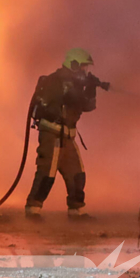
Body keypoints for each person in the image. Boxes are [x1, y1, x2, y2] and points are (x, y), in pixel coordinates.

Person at [24, 48, 107, 219]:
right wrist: (76, 89)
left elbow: (88, 106)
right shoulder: (55, 81)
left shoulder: (75, 84)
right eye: (83, 67)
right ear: (74, 64)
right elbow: (48, 103)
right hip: (52, 134)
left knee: (77, 174)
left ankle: (76, 211)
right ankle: (33, 210)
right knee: (47, 174)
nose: (85, 71)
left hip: (68, 137)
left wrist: (91, 88)